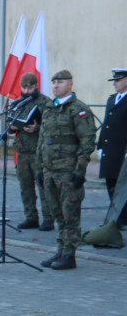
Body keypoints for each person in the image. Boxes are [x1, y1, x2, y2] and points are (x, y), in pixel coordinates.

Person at [37, 69, 97, 270]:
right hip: (50, 171)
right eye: (54, 82)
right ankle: (61, 250)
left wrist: (80, 170)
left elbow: (87, 141)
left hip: (68, 172)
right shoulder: (49, 108)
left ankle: (70, 255)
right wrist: (40, 167)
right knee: (57, 214)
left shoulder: (79, 109)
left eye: (60, 82)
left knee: (70, 214)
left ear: (70, 84)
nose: (55, 86)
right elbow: (42, 140)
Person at [8, 73, 53, 230]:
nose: (27, 90)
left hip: (38, 152)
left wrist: (37, 128)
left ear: (36, 86)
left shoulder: (45, 102)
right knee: (25, 187)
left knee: (43, 186)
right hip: (22, 151)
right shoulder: (18, 103)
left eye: (30, 87)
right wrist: (12, 127)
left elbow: (52, 127)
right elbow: (9, 123)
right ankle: (31, 217)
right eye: (24, 87)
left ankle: (48, 218)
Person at [98, 68, 127, 229]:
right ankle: (117, 215)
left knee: (122, 184)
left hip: (123, 149)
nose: (114, 84)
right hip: (110, 149)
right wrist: (101, 145)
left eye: (118, 80)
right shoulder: (112, 99)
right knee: (111, 181)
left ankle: (123, 218)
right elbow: (106, 124)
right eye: (114, 81)